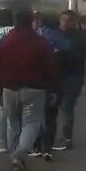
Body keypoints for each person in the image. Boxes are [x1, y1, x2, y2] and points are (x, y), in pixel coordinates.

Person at [0, 9, 57, 171]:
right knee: (32, 123)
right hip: (34, 89)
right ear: (31, 21)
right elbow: (50, 68)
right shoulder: (40, 42)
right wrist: (53, 89)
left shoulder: (5, 41)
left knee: (12, 123)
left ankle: (14, 156)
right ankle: (19, 155)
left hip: (8, 89)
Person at [54, 10, 86, 151]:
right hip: (56, 76)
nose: (64, 23)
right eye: (62, 20)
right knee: (53, 107)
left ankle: (66, 138)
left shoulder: (80, 37)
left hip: (73, 76)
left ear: (73, 22)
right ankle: (52, 138)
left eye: (68, 20)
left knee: (67, 107)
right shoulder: (54, 35)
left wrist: (66, 54)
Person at [32, 13, 71, 160]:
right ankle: (48, 149)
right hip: (55, 82)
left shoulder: (36, 37)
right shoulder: (60, 39)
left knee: (34, 117)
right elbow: (69, 53)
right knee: (50, 117)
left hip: (36, 83)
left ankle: (35, 147)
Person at [0, 8, 14, 153]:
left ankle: (1, 144)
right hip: (16, 76)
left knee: (0, 111)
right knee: (13, 113)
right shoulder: (16, 32)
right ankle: (14, 144)